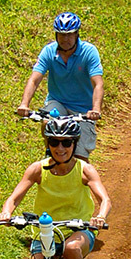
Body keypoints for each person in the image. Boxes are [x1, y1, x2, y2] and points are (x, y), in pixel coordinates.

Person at [0, 118, 111, 259]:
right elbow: (14, 198)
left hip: (79, 230)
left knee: (71, 248)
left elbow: (104, 200)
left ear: (74, 144)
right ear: (47, 144)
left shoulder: (85, 170)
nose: (61, 148)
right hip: (46, 231)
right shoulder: (38, 169)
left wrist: (100, 217)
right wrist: (6, 212)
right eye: (54, 142)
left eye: (66, 143)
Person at [17, 11, 103, 160]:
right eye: (62, 35)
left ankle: (83, 180)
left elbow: (98, 84)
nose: (66, 39)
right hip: (58, 103)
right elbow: (34, 80)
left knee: (79, 157)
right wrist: (24, 104)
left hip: (82, 110)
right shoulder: (49, 52)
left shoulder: (89, 52)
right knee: (47, 122)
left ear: (77, 34)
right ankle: (50, 153)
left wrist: (95, 109)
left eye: (70, 34)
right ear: (56, 35)